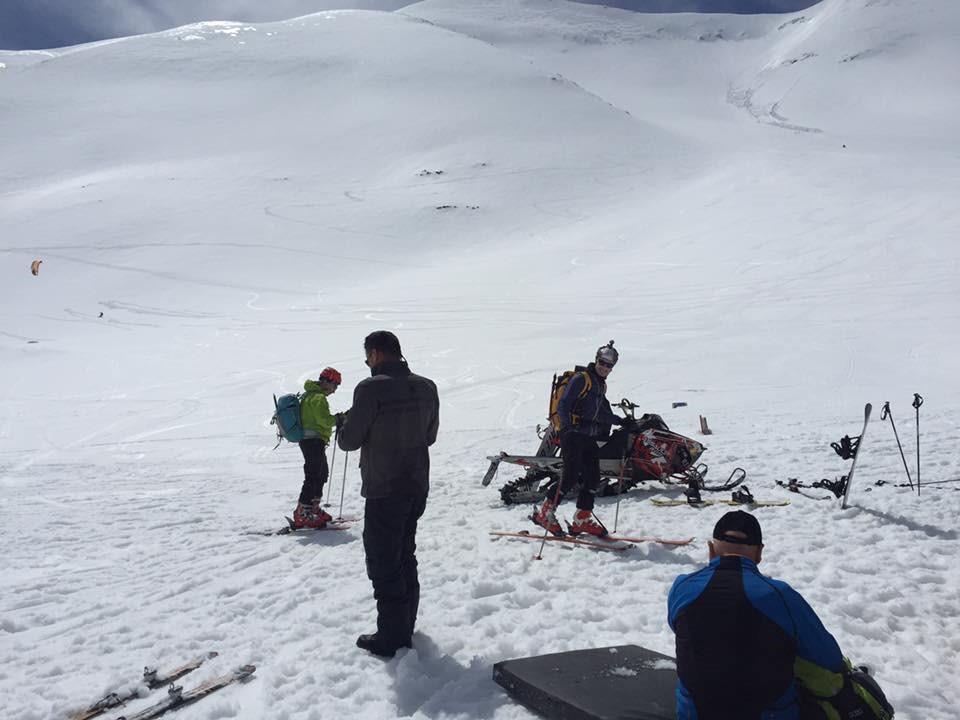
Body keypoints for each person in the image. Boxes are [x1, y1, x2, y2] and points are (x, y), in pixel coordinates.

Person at [667, 510, 848, 720]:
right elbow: (830, 659)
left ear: (711, 549)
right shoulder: (780, 596)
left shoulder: (682, 587)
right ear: (759, 553)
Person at [338, 331, 439, 657]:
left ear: (377, 353)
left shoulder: (370, 389)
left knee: (384, 561)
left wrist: (345, 424)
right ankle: (404, 625)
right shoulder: (427, 386)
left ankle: (392, 638)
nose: (367, 362)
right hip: (416, 485)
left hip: (384, 488)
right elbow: (430, 436)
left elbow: (349, 441)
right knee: (405, 554)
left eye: (367, 356)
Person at [532, 341, 626, 537]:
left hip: (588, 435)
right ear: (596, 360)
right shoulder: (582, 379)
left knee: (593, 477)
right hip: (572, 433)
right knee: (570, 476)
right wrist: (567, 427)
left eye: (609, 365)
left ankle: (582, 518)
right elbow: (564, 405)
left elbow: (600, 413)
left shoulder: (600, 385)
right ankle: (544, 513)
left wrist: (622, 421)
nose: (605, 367)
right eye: (602, 362)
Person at [291, 367, 342, 529]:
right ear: (327, 382)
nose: (335, 390)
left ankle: (312, 509)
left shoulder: (309, 395)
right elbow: (324, 421)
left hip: (310, 441)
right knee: (314, 474)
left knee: (321, 473)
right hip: (313, 441)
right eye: (335, 385)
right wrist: (339, 419)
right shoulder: (318, 397)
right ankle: (303, 513)